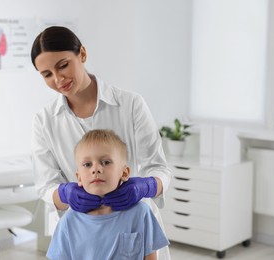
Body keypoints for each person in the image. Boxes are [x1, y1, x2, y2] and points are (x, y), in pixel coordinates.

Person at [31, 26, 172, 259]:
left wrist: (144, 187)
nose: (58, 79)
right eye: (47, 74)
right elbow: (46, 187)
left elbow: (160, 169)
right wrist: (66, 194)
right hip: (84, 233)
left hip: (134, 228)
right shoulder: (44, 121)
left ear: (82, 54)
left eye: (63, 65)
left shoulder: (131, 105)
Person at [46, 129, 170, 260]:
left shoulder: (141, 214)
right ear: (79, 177)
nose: (96, 169)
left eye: (105, 162)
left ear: (125, 172)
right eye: (87, 164)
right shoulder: (69, 221)